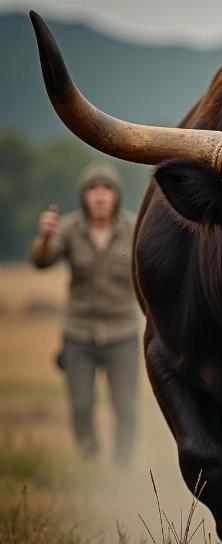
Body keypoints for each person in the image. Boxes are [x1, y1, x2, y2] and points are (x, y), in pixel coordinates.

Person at [31, 161, 139, 467]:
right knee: (81, 404)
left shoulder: (132, 230)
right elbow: (42, 261)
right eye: (93, 189)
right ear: (84, 196)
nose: (101, 196)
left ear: (116, 195)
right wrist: (44, 237)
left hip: (122, 332)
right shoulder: (68, 228)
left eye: (107, 188)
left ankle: (122, 466)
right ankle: (89, 453)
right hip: (78, 333)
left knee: (126, 408)